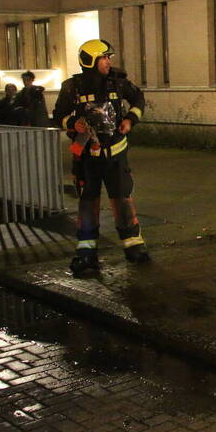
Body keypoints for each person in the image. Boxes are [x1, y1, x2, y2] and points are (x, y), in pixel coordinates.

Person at [53, 39, 149, 275]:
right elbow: (58, 115)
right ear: (91, 61)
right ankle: (86, 253)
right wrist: (73, 123)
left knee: (122, 199)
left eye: (109, 58)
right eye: (105, 57)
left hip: (116, 156)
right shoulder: (71, 87)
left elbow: (138, 99)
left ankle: (133, 246)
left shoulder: (118, 82)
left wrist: (130, 120)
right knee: (87, 204)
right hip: (87, 158)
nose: (109, 62)